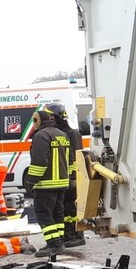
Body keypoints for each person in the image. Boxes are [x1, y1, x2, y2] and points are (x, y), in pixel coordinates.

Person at [27, 107, 71, 257]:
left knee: (44, 213)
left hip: (46, 184)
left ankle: (53, 244)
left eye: (34, 121)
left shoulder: (41, 136)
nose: (33, 125)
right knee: (58, 213)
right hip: (62, 183)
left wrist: (30, 182)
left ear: (38, 120)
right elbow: (70, 160)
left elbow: (39, 162)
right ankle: (59, 242)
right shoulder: (63, 135)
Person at [47, 102, 86, 248]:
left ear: (58, 117)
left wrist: (74, 178)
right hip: (64, 178)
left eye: (51, 117)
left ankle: (78, 235)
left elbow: (76, 157)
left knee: (71, 208)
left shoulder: (72, 134)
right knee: (64, 208)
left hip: (72, 178)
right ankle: (68, 235)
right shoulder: (60, 134)